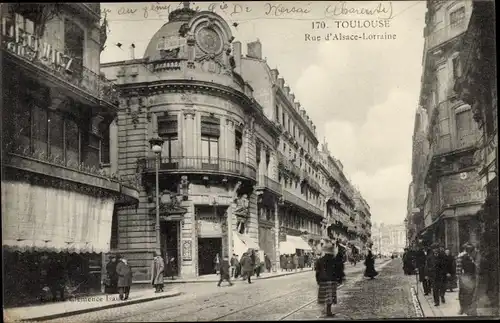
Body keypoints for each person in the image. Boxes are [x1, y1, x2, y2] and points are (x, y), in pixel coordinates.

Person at [315, 241, 345, 318]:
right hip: (332, 280)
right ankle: (328, 311)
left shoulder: (320, 260)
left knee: (323, 295)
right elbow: (339, 270)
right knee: (330, 296)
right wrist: (340, 279)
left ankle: (324, 311)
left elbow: (317, 271)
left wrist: (318, 280)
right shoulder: (334, 260)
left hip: (322, 280)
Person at [458, 243, 477, 316]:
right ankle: (462, 307)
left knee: (472, 293)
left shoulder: (476, 257)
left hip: (473, 277)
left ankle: (471, 309)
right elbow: (458, 269)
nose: (470, 251)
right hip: (465, 277)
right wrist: (460, 279)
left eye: (471, 250)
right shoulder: (461, 257)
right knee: (463, 293)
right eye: (469, 250)